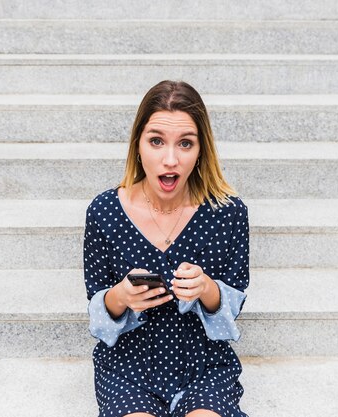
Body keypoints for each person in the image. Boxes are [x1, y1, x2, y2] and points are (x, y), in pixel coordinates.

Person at [83, 80, 249, 417]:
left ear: (201, 150)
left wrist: (207, 289)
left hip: (204, 363)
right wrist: (121, 296)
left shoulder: (228, 213)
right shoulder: (104, 211)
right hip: (129, 366)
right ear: (138, 145)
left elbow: (233, 304)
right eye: (156, 141)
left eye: (185, 143)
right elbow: (97, 306)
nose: (169, 159)